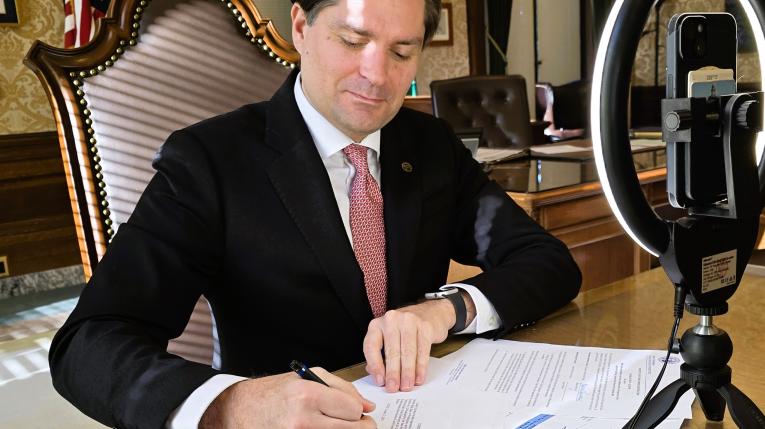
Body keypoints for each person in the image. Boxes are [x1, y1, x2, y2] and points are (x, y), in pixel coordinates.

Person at [49, 0, 582, 427]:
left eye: (402, 51)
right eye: (352, 41)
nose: (376, 75)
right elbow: (88, 344)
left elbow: (548, 261)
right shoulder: (209, 160)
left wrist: (444, 310)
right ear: (302, 27)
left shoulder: (431, 144)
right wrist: (234, 406)